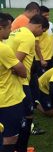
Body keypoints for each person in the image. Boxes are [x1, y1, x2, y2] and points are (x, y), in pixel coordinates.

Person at [6, 14, 48, 152]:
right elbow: (16, 62)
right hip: (20, 82)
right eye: (42, 31)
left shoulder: (16, 31)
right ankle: (20, 148)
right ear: (39, 26)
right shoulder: (28, 36)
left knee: (20, 116)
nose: (41, 34)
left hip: (13, 82)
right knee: (27, 116)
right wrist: (22, 74)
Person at [0, 12, 27, 152]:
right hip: (9, 100)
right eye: (9, 28)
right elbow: (22, 71)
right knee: (10, 138)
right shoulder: (3, 49)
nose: (11, 31)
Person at [35, 5, 53, 76]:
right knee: (41, 78)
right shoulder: (38, 27)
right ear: (40, 15)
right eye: (45, 15)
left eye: (48, 15)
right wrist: (41, 59)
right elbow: (36, 44)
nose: (47, 17)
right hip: (41, 59)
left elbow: (52, 37)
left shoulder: (51, 24)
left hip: (51, 56)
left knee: (50, 76)